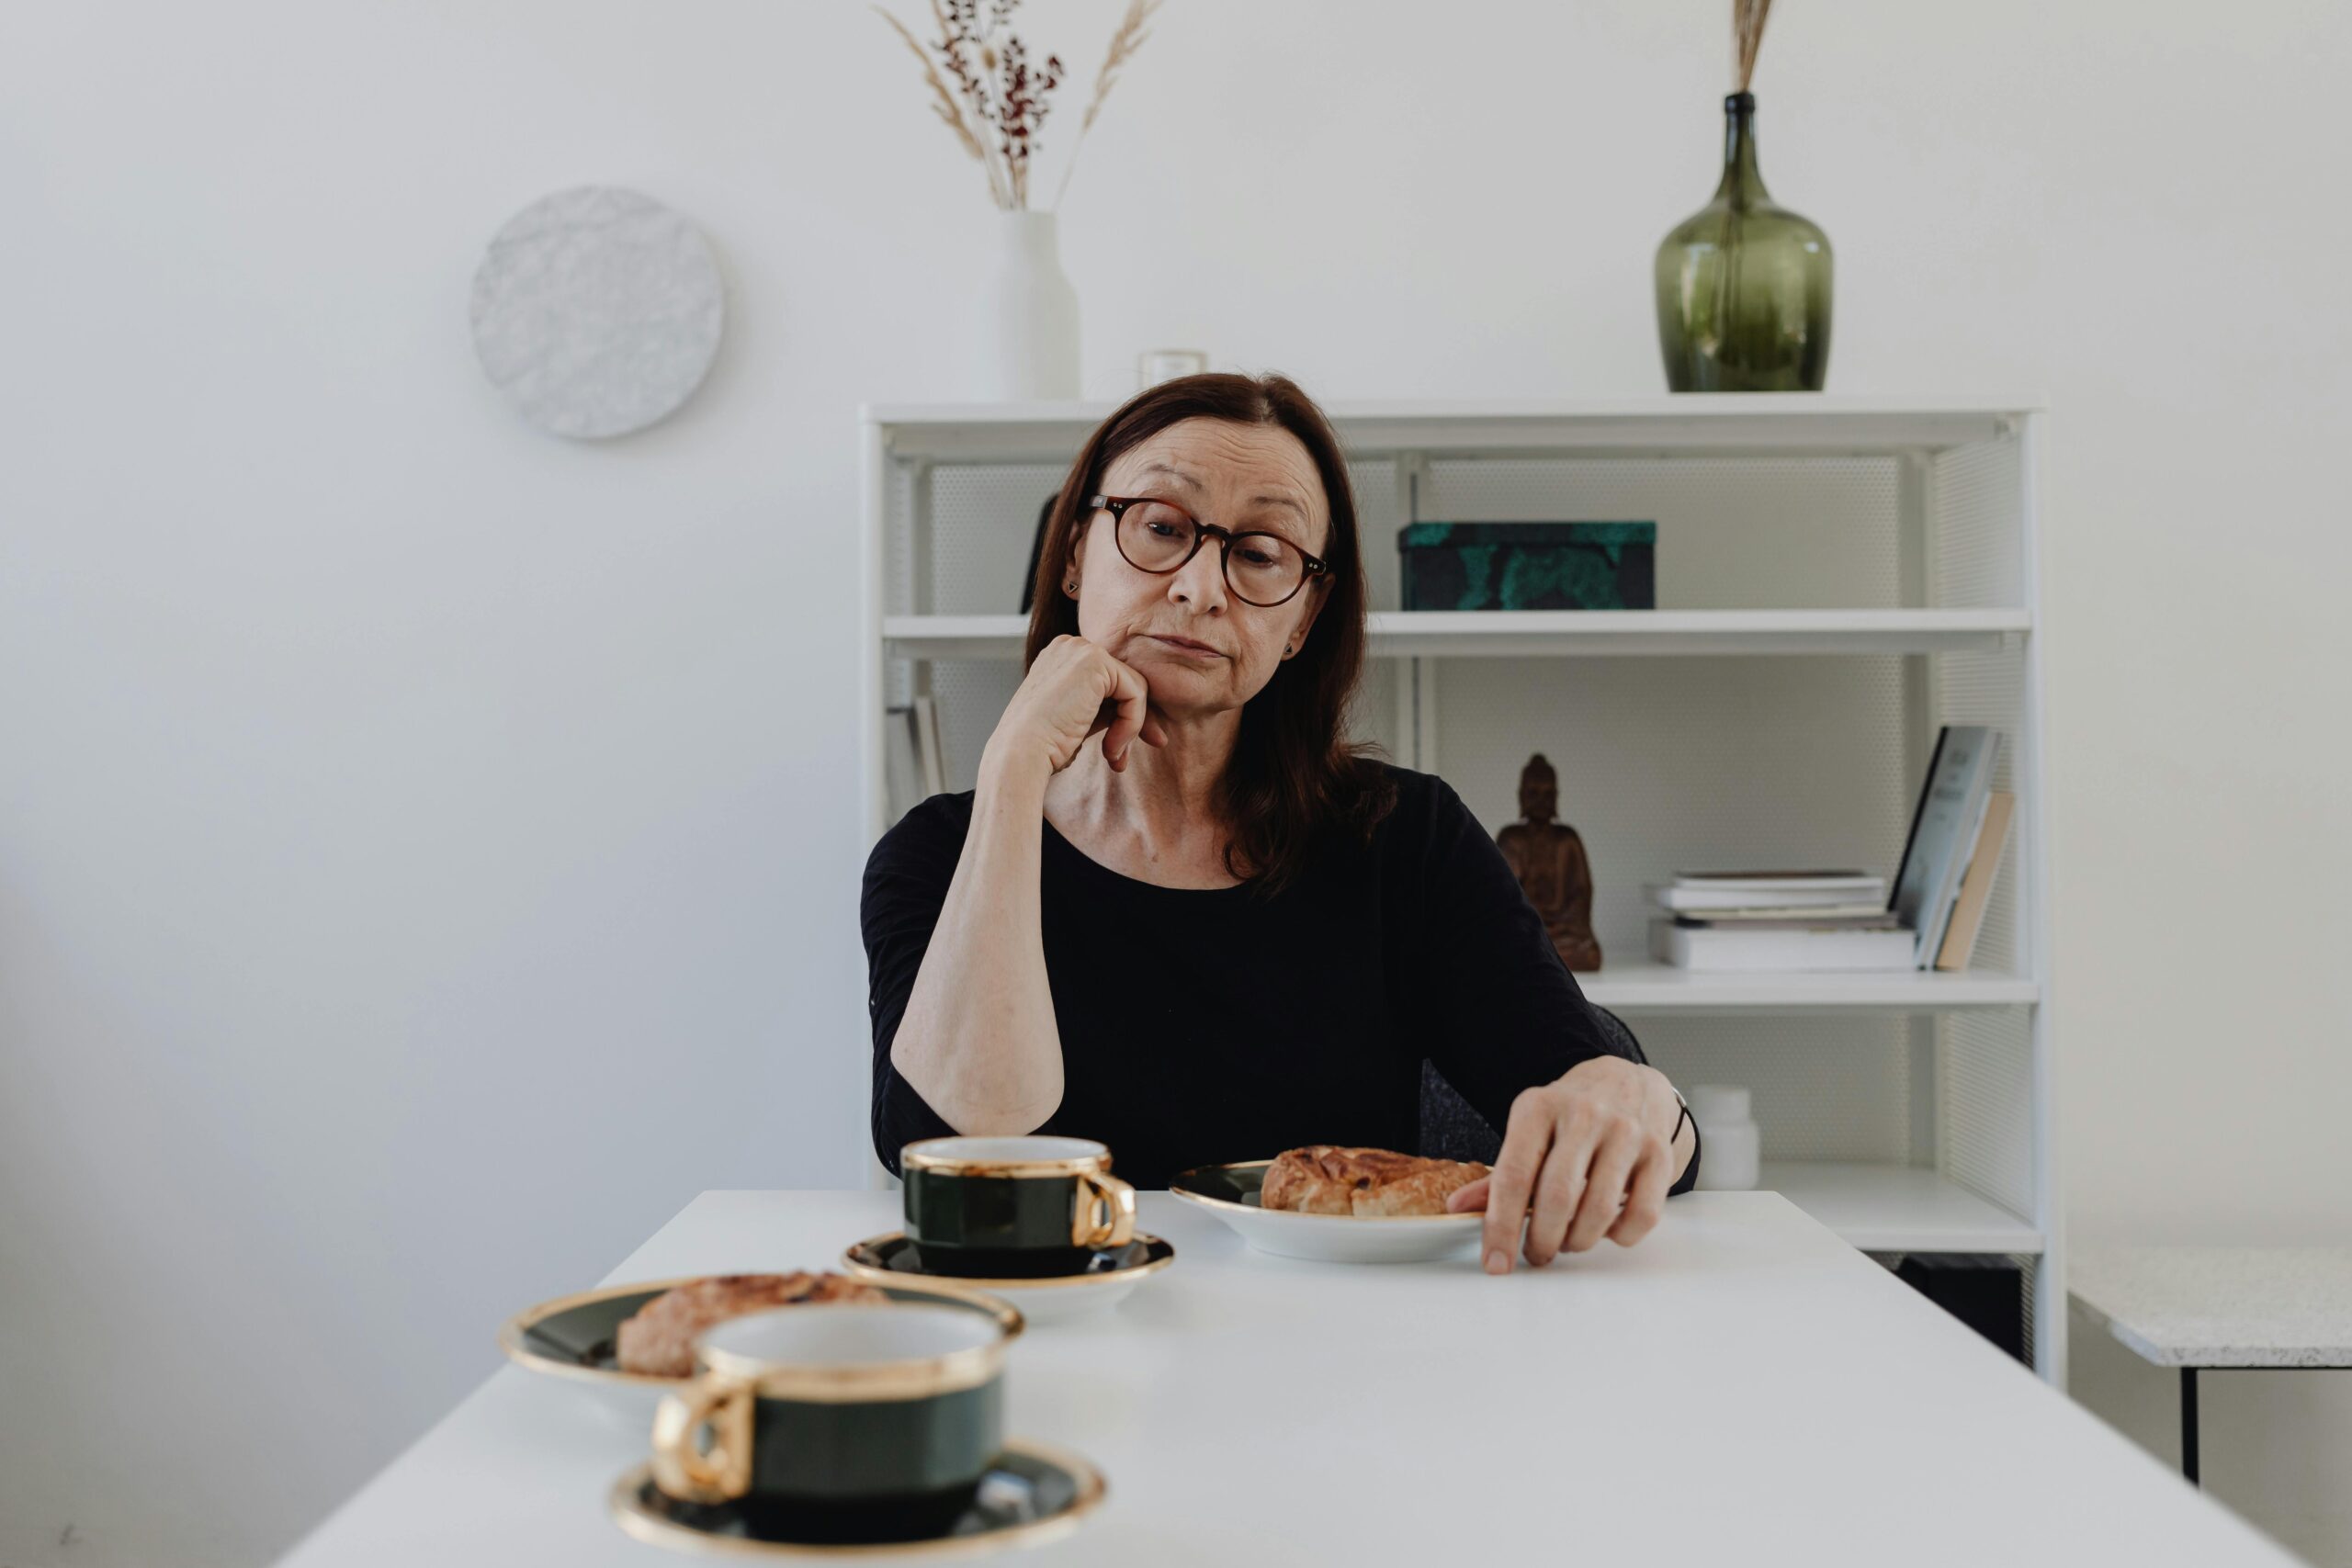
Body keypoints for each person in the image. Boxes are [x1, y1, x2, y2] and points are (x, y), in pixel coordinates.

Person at [863, 374, 1697, 1273]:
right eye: (1159, 526)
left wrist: (1630, 1100)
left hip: (1340, 1349)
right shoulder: (937, 853)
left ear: (1303, 619)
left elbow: (1602, 1102)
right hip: (1053, 1334)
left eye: (1260, 553)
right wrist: (1013, 769)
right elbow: (961, 1154)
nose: (1198, 588)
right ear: (1073, 556)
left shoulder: (1402, 838)